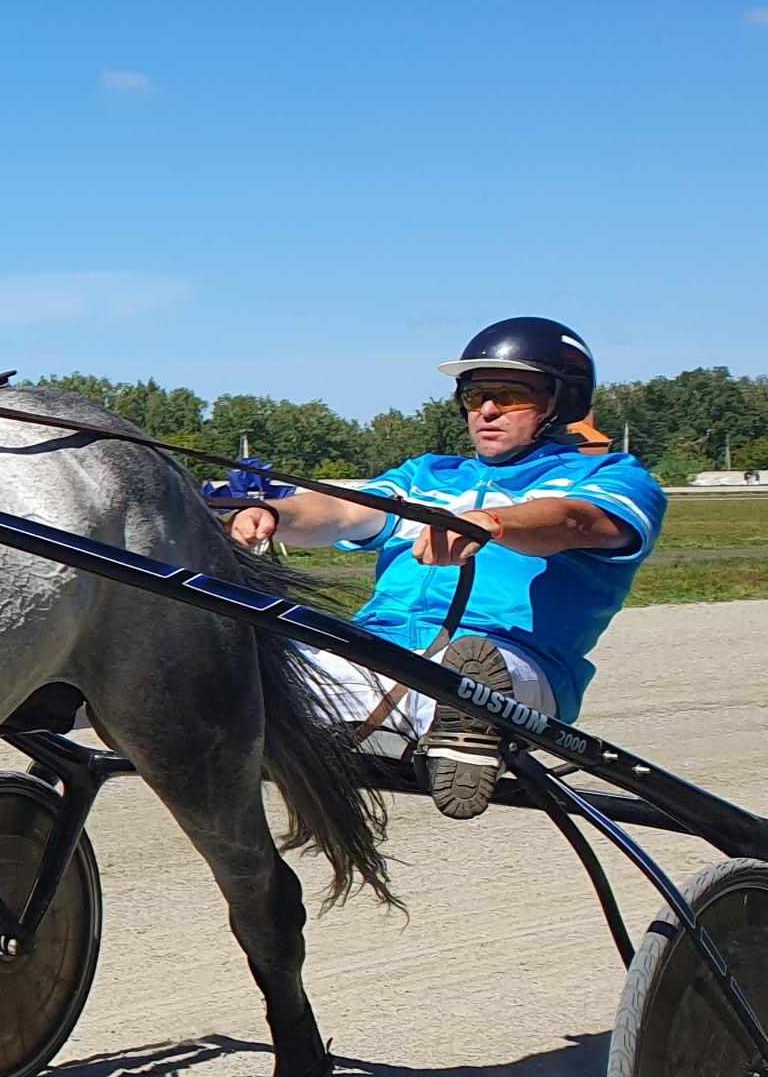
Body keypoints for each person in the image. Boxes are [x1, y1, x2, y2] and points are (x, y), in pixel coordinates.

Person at [228, 317, 663, 818]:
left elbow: (578, 522)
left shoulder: (610, 476)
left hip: (520, 666)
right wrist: (275, 515)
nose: (488, 410)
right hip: (375, 655)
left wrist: (490, 524)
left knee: (473, 667)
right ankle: (449, 722)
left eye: (509, 395)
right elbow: (343, 511)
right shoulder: (425, 475)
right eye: (476, 396)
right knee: (247, 655)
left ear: (558, 400)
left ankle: (468, 716)